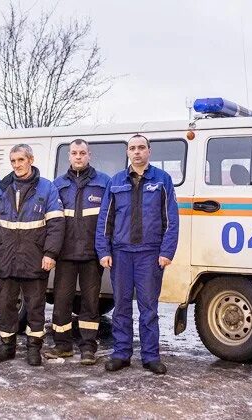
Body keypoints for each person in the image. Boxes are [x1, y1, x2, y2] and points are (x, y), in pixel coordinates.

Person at [95, 134, 179, 375]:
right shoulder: (116, 181)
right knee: (121, 306)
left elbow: (171, 220)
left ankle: (150, 356)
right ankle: (121, 353)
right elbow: (105, 220)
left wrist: (166, 251)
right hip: (121, 254)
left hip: (150, 255)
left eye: (141, 147)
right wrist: (103, 250)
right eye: (132, 148)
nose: (137, 152)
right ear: (128, 153)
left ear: (149, 152)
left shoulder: (162, 180)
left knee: (148, 308)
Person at [0, 143, 65, 366]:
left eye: (21, 160)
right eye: (13, 161)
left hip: (35, 257)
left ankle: (33, 348)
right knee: (6, 304)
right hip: (6, 256)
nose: (17, 165)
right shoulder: (1, 187)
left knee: (35, 306)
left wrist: (50, 254)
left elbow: (56, 225)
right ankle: (6, 346)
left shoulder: (47, 188)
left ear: (31, 160)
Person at [44, 139, 110, 365]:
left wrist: (105, 250)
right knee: (61, 301)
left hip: (92, 255)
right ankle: (62, 345)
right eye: (74, 153)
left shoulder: (104, 183)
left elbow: (108, 221)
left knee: (91, 303)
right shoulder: (57, 185)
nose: (78, 157)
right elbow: (51, 221)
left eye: (82, 153)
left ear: (89, 155)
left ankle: (88, 347)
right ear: (69, 156)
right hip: (65, 254)